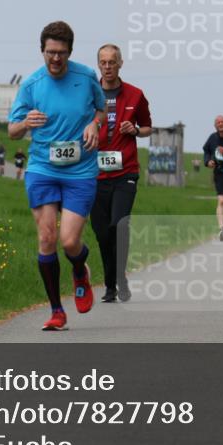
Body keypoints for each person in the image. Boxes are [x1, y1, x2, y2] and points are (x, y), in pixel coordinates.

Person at [8, 21, 105, 331]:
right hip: (42, 168)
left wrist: (94, 125)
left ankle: (80, 270)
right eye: (50, 52)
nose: (55, 59)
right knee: (47, 237)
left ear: (70, 52)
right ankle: (56, 311)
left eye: (61, 53)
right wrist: (25, 124)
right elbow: (11, 131)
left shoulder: (87, 77)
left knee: (69, 240)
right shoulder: (32, 85)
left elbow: (101, 111)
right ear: (42, 51)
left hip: (80, 170)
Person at [90, 44, 152, 303]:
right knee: (102, 233)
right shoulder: (88, 95)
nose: (107, 67)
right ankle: (110, 284)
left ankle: (120, 280)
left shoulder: (136, 95)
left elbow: (148, 127)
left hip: (125, 172)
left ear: (120, 64)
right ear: (98, 65)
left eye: (112, 62)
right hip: (94, 174)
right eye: (103, 62)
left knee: (118, 226)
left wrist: (135, 130)